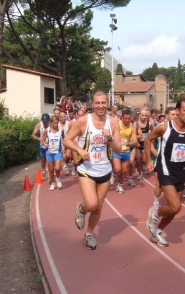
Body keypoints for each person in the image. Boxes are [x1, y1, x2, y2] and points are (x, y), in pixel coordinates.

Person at [63, 90, 121, 250]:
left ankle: (89, 234)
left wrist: (109, 138)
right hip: (87, 169)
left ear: (108, 104)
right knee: (92, 203)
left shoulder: (114, 122)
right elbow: (67, 140)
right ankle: (81, 209)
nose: (101, 106)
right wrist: (80, 151)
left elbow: (118, 148)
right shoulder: (83, 121)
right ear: (92, 104)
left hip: (105, 169)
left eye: (103, 103)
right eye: (97, 103)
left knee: (98, 207)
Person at [145, 98, 185, 247]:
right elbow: (148, 140)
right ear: (177, 111)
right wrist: (148, 161)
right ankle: (155, 213)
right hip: (165, 170)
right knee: (176, 206)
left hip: (180, 172)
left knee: (173, 211)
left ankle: (157, 232)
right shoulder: (165, 128)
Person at [111, 109, 138, 193]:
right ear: (122, 117)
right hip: (116, 150)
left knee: (124, 170)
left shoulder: (132, 128)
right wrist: (117, 142)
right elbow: (110, 136)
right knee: (117, 169)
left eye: (128, 119)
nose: (127, 120)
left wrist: (127, 144)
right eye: (125, 118)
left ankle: (119, 185)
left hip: (126, 151)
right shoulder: (117, 124)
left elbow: (135, 141)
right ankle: (113, 174)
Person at [42, 115, 63, 190]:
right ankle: (52, 183)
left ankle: (58, 178)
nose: (56, 125)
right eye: (54, 123)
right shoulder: (47, 130)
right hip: (49, 152)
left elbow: (64, 139)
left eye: (57, 123)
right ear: (51, 123)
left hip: (57, 152)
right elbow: (42, 140)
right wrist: (45, 144)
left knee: (57, 168)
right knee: (51, 169)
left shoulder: (61, 130)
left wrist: (63, 147)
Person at [135, 108, 153, 180]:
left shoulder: (150, 123)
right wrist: (135, 141)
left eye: (146, 115)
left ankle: (144, 165)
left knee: (145, 160)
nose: (144, 117)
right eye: (143, 115)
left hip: (145, 144)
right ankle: (140, 173)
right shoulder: (136, 123)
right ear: (139, 115)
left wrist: (151, 139)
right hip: (138, 144)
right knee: (138, 160)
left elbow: (154, 132)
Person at [31, 113, 51, 180]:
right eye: (44, 122)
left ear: (49, 120)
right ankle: (43, 171)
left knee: (50, 160)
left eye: (46, 122)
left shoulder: (52, 125)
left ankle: (51, 174)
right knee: (43, 159)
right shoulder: (39, 125)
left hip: (50, 146)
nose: (45, 123)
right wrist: (38, 138)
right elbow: (33, 135)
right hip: (42, 145)